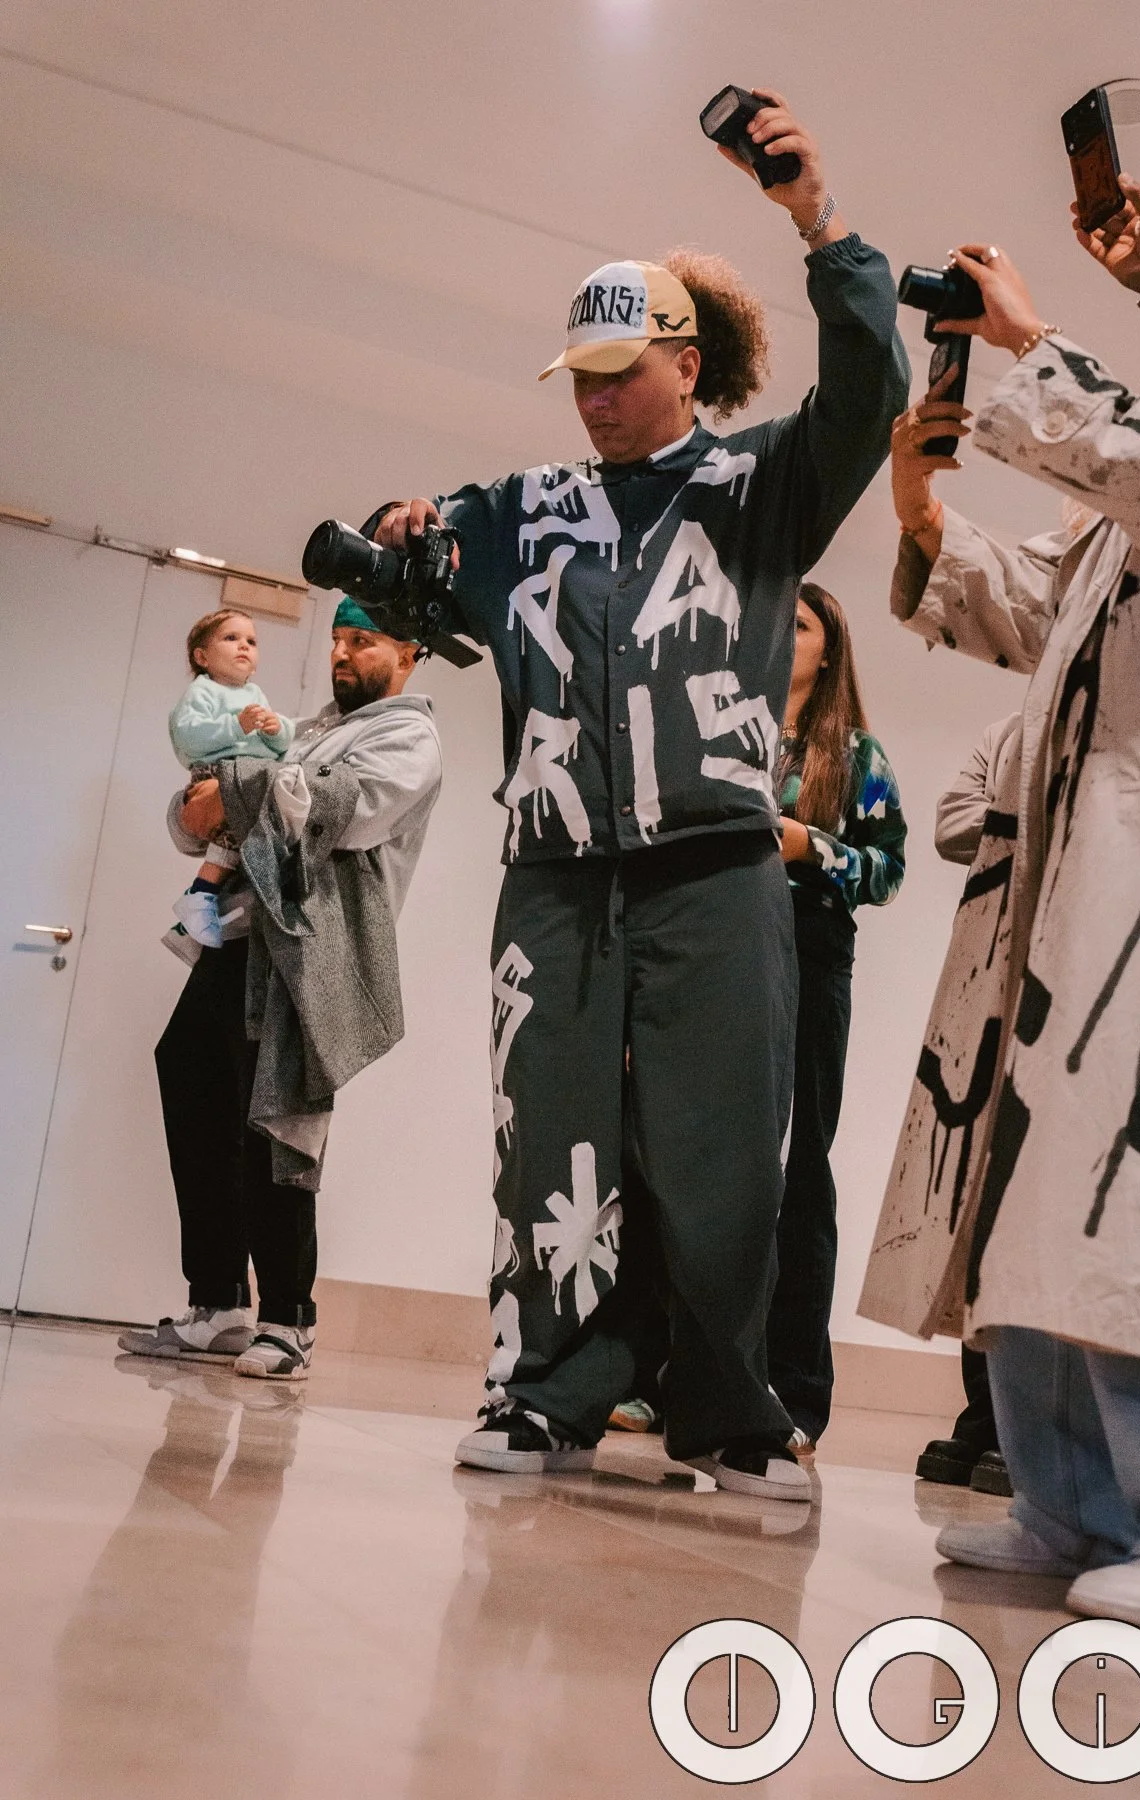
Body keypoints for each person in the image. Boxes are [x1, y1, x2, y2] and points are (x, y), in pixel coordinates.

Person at [370, 89, 909, 1501]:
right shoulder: (523, 506)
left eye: (620, 372)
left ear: (683, 364)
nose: (595, 398)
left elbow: (868, 395)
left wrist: (816, 221)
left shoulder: (759, 485)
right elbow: (413, 570)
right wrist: (396, 532)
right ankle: (543, 1394)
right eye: (580, 377)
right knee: (547, 1137)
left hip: (716, 872)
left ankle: (728, 1415)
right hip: (554, 875)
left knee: (722, 1151)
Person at [860, 175, 1140, 1629]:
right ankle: (1067, 1502)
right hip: (1078, 860)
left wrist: (1030, 343)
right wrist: (922, 512)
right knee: (1040, 1179)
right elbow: (1042, 611)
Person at [120, 599, 442, 1380]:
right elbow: (204, 815)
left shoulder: (409, 736)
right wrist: (216, 797)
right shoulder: (313, 728)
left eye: (362, 641)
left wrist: (234, 790)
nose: (342, 653)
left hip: (310, 953)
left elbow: (338, 809)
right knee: (197, 1088)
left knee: (280, 1126)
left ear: (407, 654)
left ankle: (289, 1321)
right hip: (243, 935)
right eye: (337, 639)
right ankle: (218, 1305)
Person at [768, 582, 906, 1453]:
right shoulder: (726, 730)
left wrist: (808, 845)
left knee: (801, 1171)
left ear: (830, 652)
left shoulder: (855, 755)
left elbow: (889, 871)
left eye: (802, 624)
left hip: (812, 958)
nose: (784, 633)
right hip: (722, 955)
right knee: (703, 1163)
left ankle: (796, 1391)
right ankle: (673, 1374)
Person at [912, 713, 1020, 1499]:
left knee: (1037, 1205)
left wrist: (1012, 819)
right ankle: (986, 1414)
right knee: (980, 1204)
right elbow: (952, 824)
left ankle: (1032, 1427)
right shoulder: (1011, 730)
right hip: (995, 973)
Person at [166, 609, 294, 954]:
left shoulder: (255, 693)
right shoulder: (203, 691)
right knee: (233, 831)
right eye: (231, 638)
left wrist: (277, 729)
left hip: (251, 773)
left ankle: (207, 900)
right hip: (217, 772)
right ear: (202, 657)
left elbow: (281, 747)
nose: (244, 646)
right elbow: (188, 736)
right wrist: (236, 726)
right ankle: (201, 892)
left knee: (254, 836)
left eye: (251, 641)